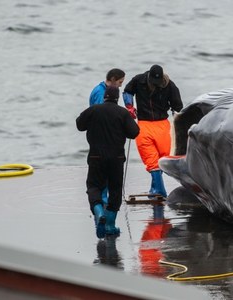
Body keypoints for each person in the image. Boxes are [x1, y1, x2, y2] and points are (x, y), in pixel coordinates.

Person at [76, 86, 140, 238]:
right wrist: (129, 119)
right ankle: (110, 225)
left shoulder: (93, 110)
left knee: (93, 186)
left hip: (96, 157)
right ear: (117, 98)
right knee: (115, 190)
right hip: (116, 158)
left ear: (104, 96)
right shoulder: (122, 113)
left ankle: (98, 211)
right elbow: (134, 132)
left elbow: (79, 125)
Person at [122, 64, 183, 198]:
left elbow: (178, 106)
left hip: (162, 124)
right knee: (150, 157)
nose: (155, 85)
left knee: (164, 156)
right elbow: (127, 91)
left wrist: (179, 123)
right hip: (143, 124)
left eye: (158, 82)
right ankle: (159, 191)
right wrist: (129, 106)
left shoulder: (169, 85)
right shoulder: (139, 80)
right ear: (148, 76)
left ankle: (155, 187)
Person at [88, 68, 131, 207]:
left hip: (97, 140)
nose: (120, 85)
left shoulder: (100, 90)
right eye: (119, 82)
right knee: (105, 175)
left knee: (100, 174)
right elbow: (105, 117)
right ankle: (103, 204)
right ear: (112, 79)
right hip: (105, 141)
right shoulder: (102, 93)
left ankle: (101, 204)